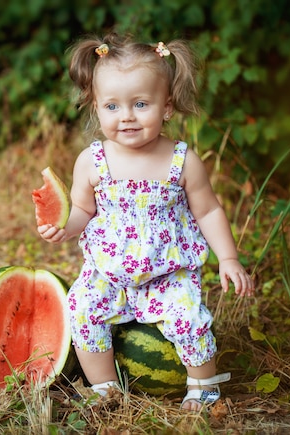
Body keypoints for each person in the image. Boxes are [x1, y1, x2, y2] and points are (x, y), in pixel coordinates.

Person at [36, 32, 255, 411]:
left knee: (190, 319)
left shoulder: (182, 160)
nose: (127, 117)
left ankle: (204, 387)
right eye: (112, 106)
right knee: (82, 310)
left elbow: (208, 211)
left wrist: (229, 258)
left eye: (140, 104)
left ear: (166, 107)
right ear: (95, 108)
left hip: (169, 272)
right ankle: (105, 387)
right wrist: (64, 226)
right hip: (109, 272)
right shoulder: (92, 161)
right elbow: (83, 211)